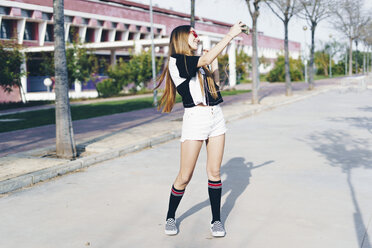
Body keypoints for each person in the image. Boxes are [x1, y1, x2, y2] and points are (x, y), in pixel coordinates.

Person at [155, 21, 247, 237]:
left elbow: (215, 87)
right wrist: (230, 35)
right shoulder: (177, 61)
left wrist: (213, 65)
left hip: (216, 117)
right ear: (181, 38)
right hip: (195, 119)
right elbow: (204, 58)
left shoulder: (198, 63)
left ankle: (216, 221)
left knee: (214, 172)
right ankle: (170, 216)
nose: (197, 37)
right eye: (193, 34)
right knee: (184, 176)